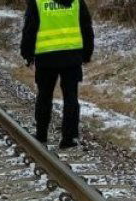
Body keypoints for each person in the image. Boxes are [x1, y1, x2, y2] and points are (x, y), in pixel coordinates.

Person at [20, 0, 94, 149]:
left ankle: (41, 134)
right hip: (72, 57)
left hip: (45, 58)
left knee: (44, 96)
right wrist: (87, 54)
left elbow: (30, 29)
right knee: (71, 97)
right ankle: (69, 138)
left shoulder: (38, 2)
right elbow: (86, 27)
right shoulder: (76, 1)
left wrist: (27, 54)